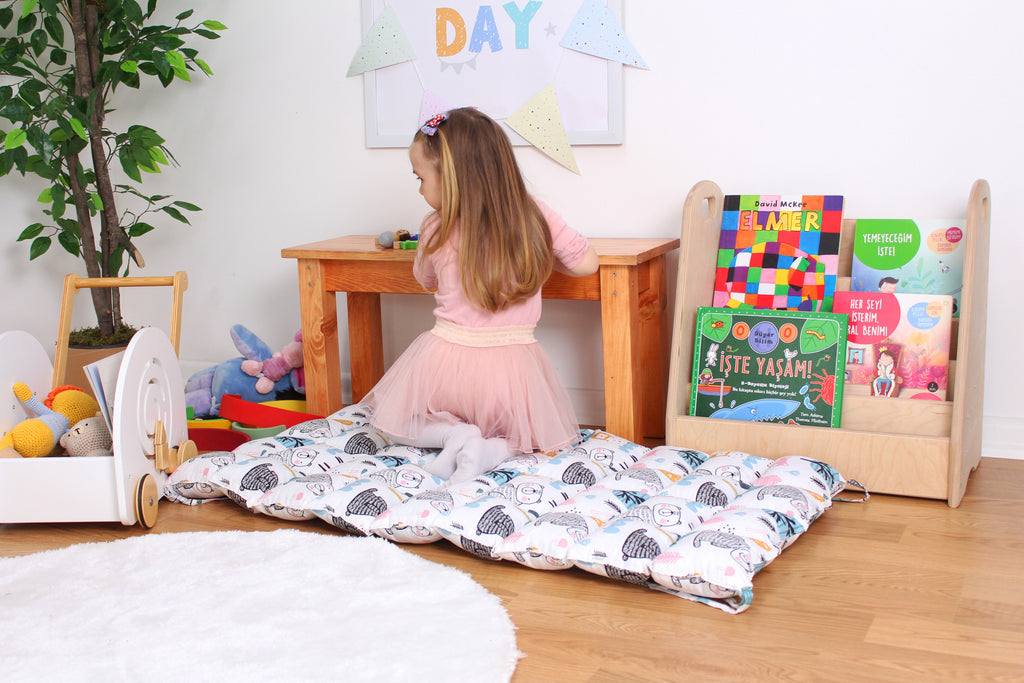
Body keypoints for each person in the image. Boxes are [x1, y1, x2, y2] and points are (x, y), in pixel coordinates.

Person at [362, 107, 599, 482]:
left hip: (445, 363)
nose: (420, 189)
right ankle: (493, 450)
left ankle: (455, 434)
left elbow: (425, 280)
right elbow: (587, 264)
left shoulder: (434, 227)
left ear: (451, 178)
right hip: (512, 369)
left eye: (420, 178)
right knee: (529, 435)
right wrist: (539, 254)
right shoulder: (534, 216)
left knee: (391, 421)